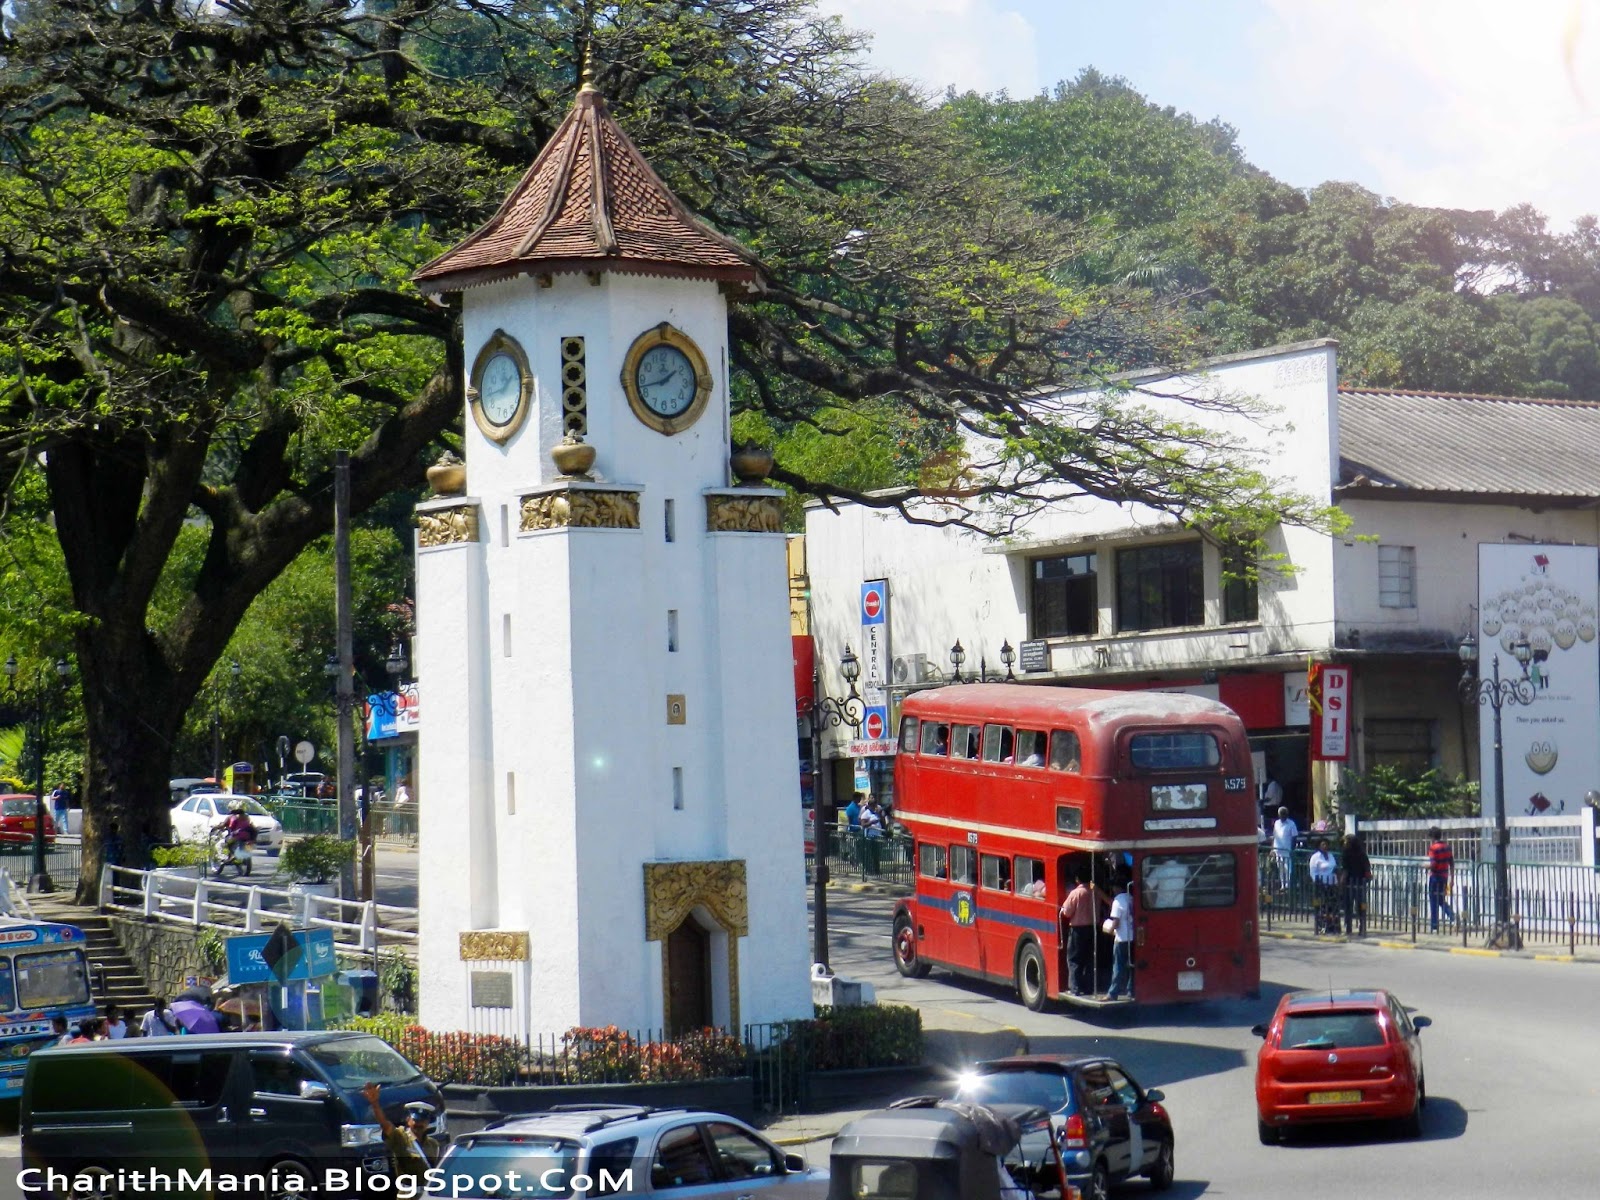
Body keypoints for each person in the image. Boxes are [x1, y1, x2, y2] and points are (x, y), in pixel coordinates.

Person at [363, 1083, 439, 1188]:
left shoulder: (433, 1145)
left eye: (422, 1121)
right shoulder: (400, 1137)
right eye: (415, 1120)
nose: (418, 1124)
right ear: (408, 1120)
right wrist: (375, 1104)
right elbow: (385, 1125)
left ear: (427, 1123)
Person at [1059, 871, 1112, 996]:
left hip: (1078, 930)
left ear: (1077, 879)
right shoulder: (1095, 890)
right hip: (1093, 928)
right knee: (1089, 959)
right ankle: (1089, 987)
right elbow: (1109, 901)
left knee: (1074, 959)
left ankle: (1075, 988)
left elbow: (1066, 912)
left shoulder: (1075, 893)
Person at [1103, 879, 1136, 1001]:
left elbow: (1116, 922)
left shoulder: (1117, 901)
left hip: (1121, 938)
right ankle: (1131, 990)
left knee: (1118, 966)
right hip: (1133, 936)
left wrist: (1109, 930)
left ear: (1116, 888)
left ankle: (1113, 993)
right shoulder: (1131, 898)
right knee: (1131, 966)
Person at [1340, 832, 1372, 936]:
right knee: (1360, 906)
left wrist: (1342, 881)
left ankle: (1348, 927)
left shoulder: (1346, 852)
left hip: (1350, 882)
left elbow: (1345, 869)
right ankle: (1362, 927)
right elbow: (1367, 867)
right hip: (1360, 882)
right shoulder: (1362, 853)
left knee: (1348, 906)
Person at [1427, 827, 1456, 932]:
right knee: (1440, 899)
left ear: (1432, 837)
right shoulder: (1447, 847)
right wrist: (1452, 879)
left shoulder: (1433, 848)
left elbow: (1433, 864)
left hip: (1434, 877)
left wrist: (1426, 867)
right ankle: (1452, 917)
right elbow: (1452, 863)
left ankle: (1434, 925)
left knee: (1433, 901)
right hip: (1444, 877)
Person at [1308, 838, 1339, 933]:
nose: (1325, 846)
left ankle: (1332, 926)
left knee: (1331, 906)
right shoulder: (1315, 857)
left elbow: (1334, 867)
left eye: (1326, 844)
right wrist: (1317, 882)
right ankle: (1322, 926)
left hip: (1331, 883)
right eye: (1323, 845)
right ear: (1319, 846)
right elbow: (1313, 871)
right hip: (1321, 884)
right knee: (1322, 906)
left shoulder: (1330, 855)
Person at [1271, 806, 1299, 890]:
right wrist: (1272, 848)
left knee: (1288, 868)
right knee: (1281, 868)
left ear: (1287, 815)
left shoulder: (1291, 823)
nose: (1282, 816)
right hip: (1277, 850)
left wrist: (1292, 849)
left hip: (1287, 850)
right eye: (1281, 814)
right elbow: (1274, 836)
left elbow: (1294, 837)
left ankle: (1288, 885)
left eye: (1284, 814)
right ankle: (1283, 885)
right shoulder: (1276, 823)